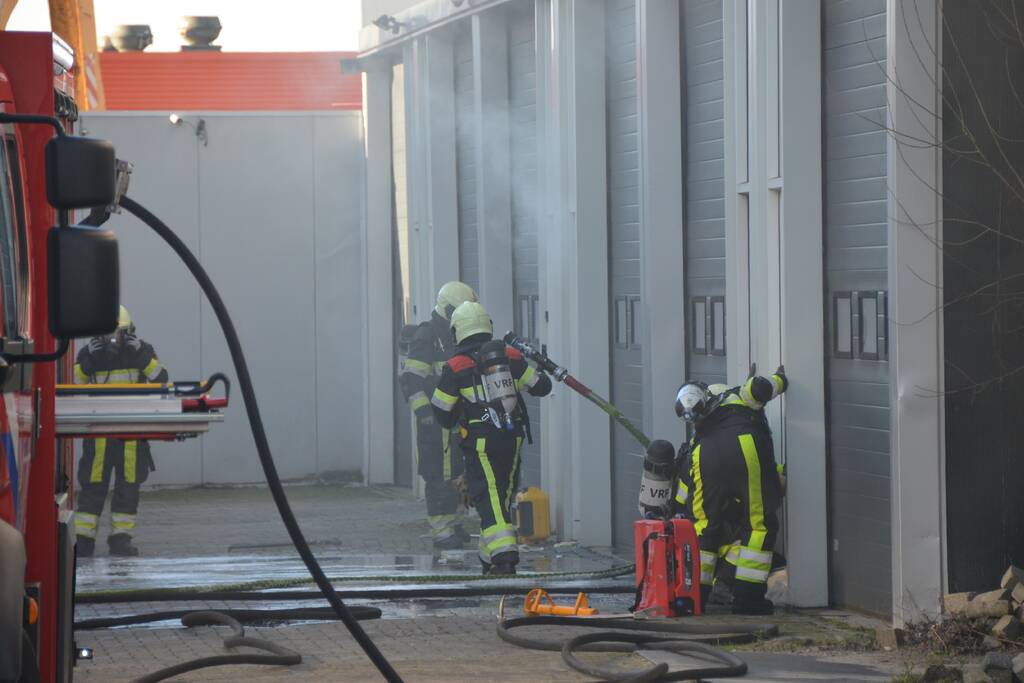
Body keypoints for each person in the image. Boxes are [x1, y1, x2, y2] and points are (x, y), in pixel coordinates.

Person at [430, 301, 551, 575]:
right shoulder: (510, 356)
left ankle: (505, 555)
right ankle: (489, 557)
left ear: (457, 331)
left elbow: (441, 409)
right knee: (502, 496)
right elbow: (542, 387)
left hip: (480, 442)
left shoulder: (456, 365)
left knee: (489, 497)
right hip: (512, 436)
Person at [671, 369, 787, 614]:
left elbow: (685, 482)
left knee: (705, 526)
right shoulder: (736, 396)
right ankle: (748, 599)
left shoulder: (698, 433)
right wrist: (780, 379)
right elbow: (759, 388)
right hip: (745, 451)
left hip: (704, 458)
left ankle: (693, 599)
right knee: (758, 525)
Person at [74, 306, 168, 557]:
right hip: (99, 436)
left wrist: (141, 357)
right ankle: (83, 541)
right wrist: (89, 361)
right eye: (107, 334)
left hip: (131, 434)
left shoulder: (142, 351)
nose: (113, 339)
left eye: (119, 334)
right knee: (93, 488)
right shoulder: (89, 354)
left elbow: (161, 379)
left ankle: (120, 540)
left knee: (128, 489)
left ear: (129, 333)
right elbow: (74, 384)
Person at [398, 281, 478, 551]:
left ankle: (454, 523)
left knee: (459, 472)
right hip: (435, 423)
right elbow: (411, 379)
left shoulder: (460, 333)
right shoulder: (428, 335)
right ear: (446, 309)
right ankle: (441, 531)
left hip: (459, 419)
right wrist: (424, 414)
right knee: (438, 476)